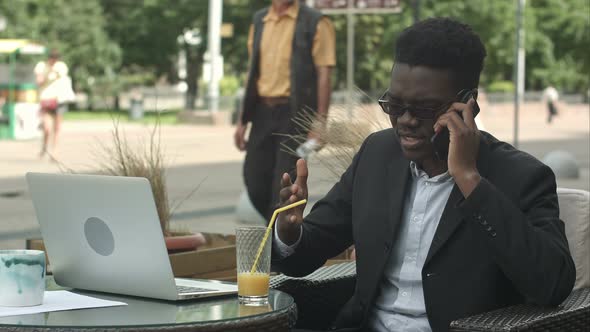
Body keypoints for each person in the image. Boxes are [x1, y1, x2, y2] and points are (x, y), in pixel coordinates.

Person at [273, 18, 575, 332]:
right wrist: (290, 231)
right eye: (395, 105)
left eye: (424, 109)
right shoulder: (377, 155)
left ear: (467, 104)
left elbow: (552, 285)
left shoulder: (521, 176)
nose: (405, 120)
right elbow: (302, 258)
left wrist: (469, 180)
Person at [234, 0, 335, 222]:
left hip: (295, 114)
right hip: (262, 112)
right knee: (254, 179)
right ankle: (275, 232)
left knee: (285, 182)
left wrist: (320, 123)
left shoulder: (316, 22)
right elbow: (252, 73)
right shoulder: (259, 20)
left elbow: (324, 75)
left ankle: (279, 245)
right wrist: (242, 120)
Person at [34, 50, 75, 158]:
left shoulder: (61, 66)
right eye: (53, 58)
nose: (54, 61)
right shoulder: (41, 66)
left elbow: (63, 80)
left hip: (59, 99)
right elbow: (39, 82)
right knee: (47, 128)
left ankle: (55, 151)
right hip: (46, 99)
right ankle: (44, 146)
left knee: (57, 127)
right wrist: (48, 73)